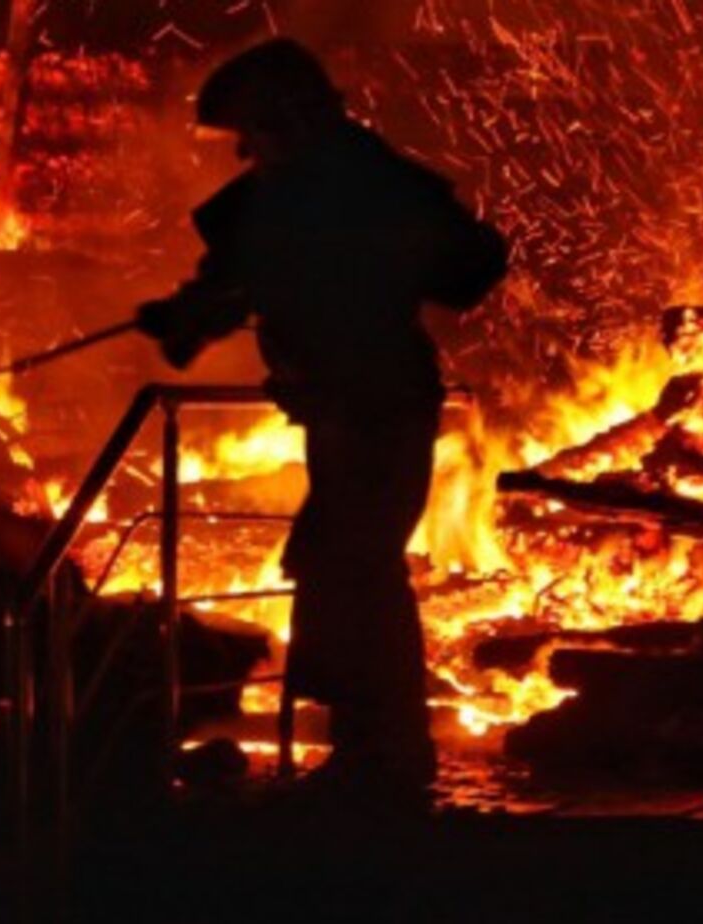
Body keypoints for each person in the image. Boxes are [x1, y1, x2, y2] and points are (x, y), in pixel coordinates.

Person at [134, 38, 508, 806]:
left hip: (377, 406)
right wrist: (192, 313)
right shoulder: (304, 191)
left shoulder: (359, 188)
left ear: (292, 120)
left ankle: (385, 757)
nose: (245, 150)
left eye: (254, 132)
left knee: (356, 571)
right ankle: (372, 749)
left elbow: (456, 266)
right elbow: (249, 274)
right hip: (345, 409)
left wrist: (224, 305)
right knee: (339, 566)